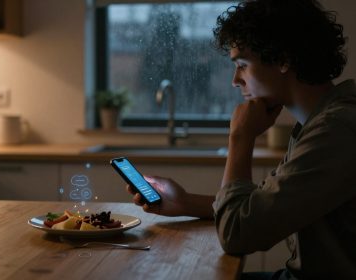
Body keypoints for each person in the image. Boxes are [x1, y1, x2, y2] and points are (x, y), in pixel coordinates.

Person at [126, 0, 356, 279]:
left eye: (243, 65)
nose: (236, 80)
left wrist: (240, 136)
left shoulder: (336, 129)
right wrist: (185, 202)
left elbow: (239, 234)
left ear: (283, 59)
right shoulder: (322, 121)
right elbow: (263, 205)